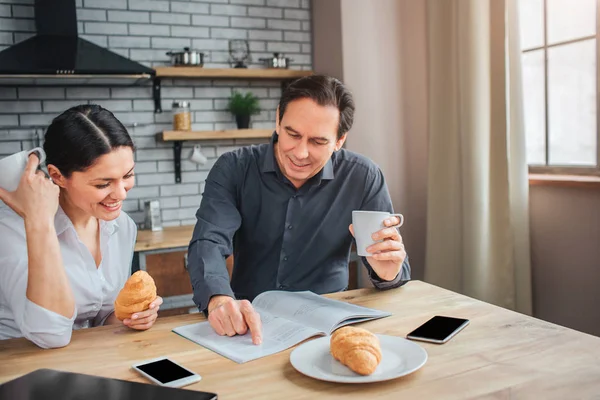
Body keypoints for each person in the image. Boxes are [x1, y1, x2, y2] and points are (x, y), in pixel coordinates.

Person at [187, 75, 410, 345]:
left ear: (339, 140)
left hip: (329, 330)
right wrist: (218, 299)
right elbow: (208, 241)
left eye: (318, 142)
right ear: (278, 119)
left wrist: (387, 273)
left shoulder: (363, 177)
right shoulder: (234, 169)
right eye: (292, 134)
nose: (300, 152)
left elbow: (392, 269)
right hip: (248, 325)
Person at [0, 105, 163, 349]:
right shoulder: (13, 229)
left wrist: (129, 317)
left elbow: (101, 317)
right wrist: (40, 220)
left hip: (86, 361)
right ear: (57, 176)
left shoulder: (122, 226)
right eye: (103, 184)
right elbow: (51, 335)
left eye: (127, 175)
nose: (121, 194)